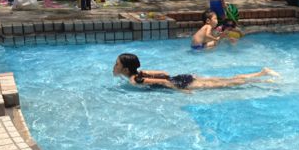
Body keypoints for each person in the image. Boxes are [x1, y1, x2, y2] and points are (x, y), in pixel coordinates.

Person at [113, 53, 278, 91]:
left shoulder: (134, 80)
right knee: (226, 79)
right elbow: (164, 74)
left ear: (125, 69)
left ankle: (263, 79)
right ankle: (261, 73)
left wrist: (181, 91)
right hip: (181, 77)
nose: (114, 66)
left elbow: (163, 81)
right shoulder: (142, 73)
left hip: (181, 84)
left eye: (117, 64)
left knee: (228, 84)